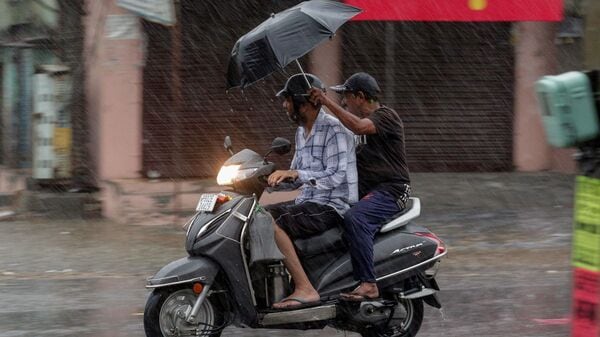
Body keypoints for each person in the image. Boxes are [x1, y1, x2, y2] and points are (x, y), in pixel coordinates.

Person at [309, 72, 411, 301]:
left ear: (360, 96)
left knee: (356, 218)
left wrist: (326, 102)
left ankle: (368, 283)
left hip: (392, 191)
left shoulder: (386, 116)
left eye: (346, 97)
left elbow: (359, 127)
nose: (343, 102)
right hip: (369, 193)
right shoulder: (355, 128)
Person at [265, 73, 358, 310]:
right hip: (308, 203)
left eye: (287, 100)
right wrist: (268, 179)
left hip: (331, 206)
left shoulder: (334, 129)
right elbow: (297, 175)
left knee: (271, 222)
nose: (284, 106)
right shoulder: (301, 132)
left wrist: (297, 174)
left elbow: (336, 176)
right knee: (257, 215)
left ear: (303, 103)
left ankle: (305, 287)